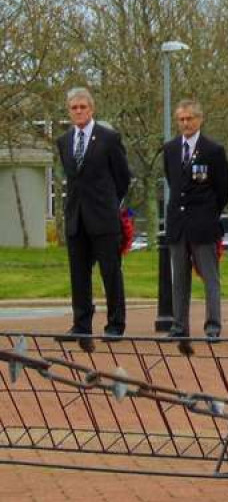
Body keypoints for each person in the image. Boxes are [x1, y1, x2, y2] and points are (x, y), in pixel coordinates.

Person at [55, 87, 132, 338]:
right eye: (74, 108)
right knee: (79, 275)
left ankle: (115, 325)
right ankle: (81, 325)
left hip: (103, 218)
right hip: (76, 218)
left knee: (110, 272)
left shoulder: (109, 138)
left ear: (92, 108)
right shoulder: (64, 141)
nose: (78, 111)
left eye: (82, 107)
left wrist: (109, 203)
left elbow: (122, 178)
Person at [163, 99, 228, 339]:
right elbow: (174, 183)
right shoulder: (171, 149)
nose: (185, 123)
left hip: (203, 224)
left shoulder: (213, 150)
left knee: (209, 277)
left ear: (199, 119)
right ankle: (179, 326)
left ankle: (213, 326)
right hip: (178, 225)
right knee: (179, 279)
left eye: (189, 118)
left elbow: (224, 189)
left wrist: (208, 212)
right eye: (181, 119)